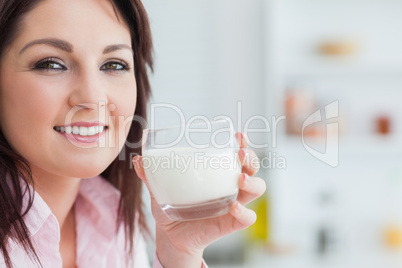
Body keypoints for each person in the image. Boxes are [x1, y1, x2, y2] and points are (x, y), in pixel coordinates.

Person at [0, 0, 266, 267]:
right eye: (51, 64)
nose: (93, 97)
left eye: (113, 65)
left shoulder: (114, 224)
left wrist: (180, 254)